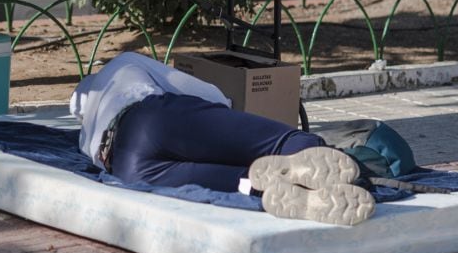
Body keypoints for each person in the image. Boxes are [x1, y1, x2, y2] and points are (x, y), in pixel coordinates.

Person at [70, 52, 376, 226]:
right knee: (279, 145)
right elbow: (209, 94)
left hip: (129, 169)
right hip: (152, 121)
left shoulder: (86, 139)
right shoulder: (123, 65)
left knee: (245, 180)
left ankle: (258, 187)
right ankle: (351, 175)